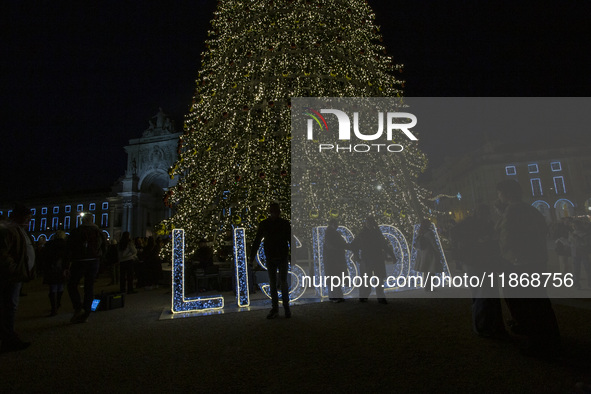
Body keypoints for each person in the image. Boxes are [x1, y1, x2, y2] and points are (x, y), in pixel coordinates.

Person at [495, 179, 560, 357]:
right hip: (537, 261)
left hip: (520, 263)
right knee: (540, 301)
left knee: (525, 303)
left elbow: (505, 240)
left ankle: (538, 342)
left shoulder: (511, 211)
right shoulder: (532, 210)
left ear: (506, 194)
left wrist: (505, 258)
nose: (498, 197)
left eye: (499, 193)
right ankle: (551, 337)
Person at [452, 205, 506, 338]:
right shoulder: (473, 225)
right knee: (483, 294)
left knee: (486, 294)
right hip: (476, 263)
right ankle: (482, 326)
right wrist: (474, 243)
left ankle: (490, 325)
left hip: (483, 263)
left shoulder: (481, 223)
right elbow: (455, 234)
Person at [0, 203, 35, 352]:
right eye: (27, 218)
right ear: (18, 216)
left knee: (10, 306)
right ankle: (9, 338)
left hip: (17, 275)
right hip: (11, 276)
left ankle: (9, 336)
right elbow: (2, 253)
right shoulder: (8, 229)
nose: (29, 221)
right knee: (8, 307)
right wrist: (14, 269)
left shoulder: (17, 229)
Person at [250, 203, 291, 319]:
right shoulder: (284, 224)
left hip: (273, 256)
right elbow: (290, 239)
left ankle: (276, 308)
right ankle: (285, 308)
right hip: (280, 256)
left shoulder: (265, 224)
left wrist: (252, 256)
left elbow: (257, 240)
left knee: (275, 283)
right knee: (281, 282)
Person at [66, 212, 106, 324]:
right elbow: (104, 247)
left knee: (72, 284)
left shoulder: (76, 231)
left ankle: (78, 307)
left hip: (79, 261)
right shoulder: (98, 231)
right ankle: (86, 311)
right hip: (94, 261)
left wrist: (66, 265)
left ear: (82, 220)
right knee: (89, 286)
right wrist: (100, 259)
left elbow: (68, 248)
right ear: (92, 220)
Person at [351, 216, 391, 304]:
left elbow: (355, 245)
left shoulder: (364, 233)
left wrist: (357, 255)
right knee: (374, 278)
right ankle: (376, 296)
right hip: (373, 258)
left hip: (368, 258)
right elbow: (384, 244)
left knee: (369, 279)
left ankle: (365, 296)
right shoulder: (376, 232)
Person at [323, 218, 351, 303]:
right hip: (334, 260)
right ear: (333, 224)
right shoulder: (332, 233)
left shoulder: (329, 233)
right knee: (335, 278)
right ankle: (336, 296)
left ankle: (335, 296)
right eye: (336, 223)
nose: (337, 225)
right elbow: (337, 244)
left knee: (334, 278)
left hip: (332, 260)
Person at [42, 230, 68, 316]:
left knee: (53, 288)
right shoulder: (65, 245)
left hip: (51, 268)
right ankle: (58, 303)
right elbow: (67, 257)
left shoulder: (49, 244)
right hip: (61, 268)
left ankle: (54, 307)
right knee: (60, 286)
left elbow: (45, 257)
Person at [414, 218, 443, 291]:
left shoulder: (420, 232)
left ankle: (427, 286)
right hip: (430, 254)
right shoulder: (429, 233)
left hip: (422, 253)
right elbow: (434, 244)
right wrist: (438, 252)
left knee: (426, 271)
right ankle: (429, 286)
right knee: (431, 271)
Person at [569, 220, 591, 289]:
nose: (574, 227)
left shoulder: (585, 234)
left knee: (588, 268)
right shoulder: (572, 233)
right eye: (573, 226)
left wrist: (575, 238)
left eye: (575, 225)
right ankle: (576, 283)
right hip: (575, 253)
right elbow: (571, 243)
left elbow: (585, 244)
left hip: (583, 252)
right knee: (576, 269)